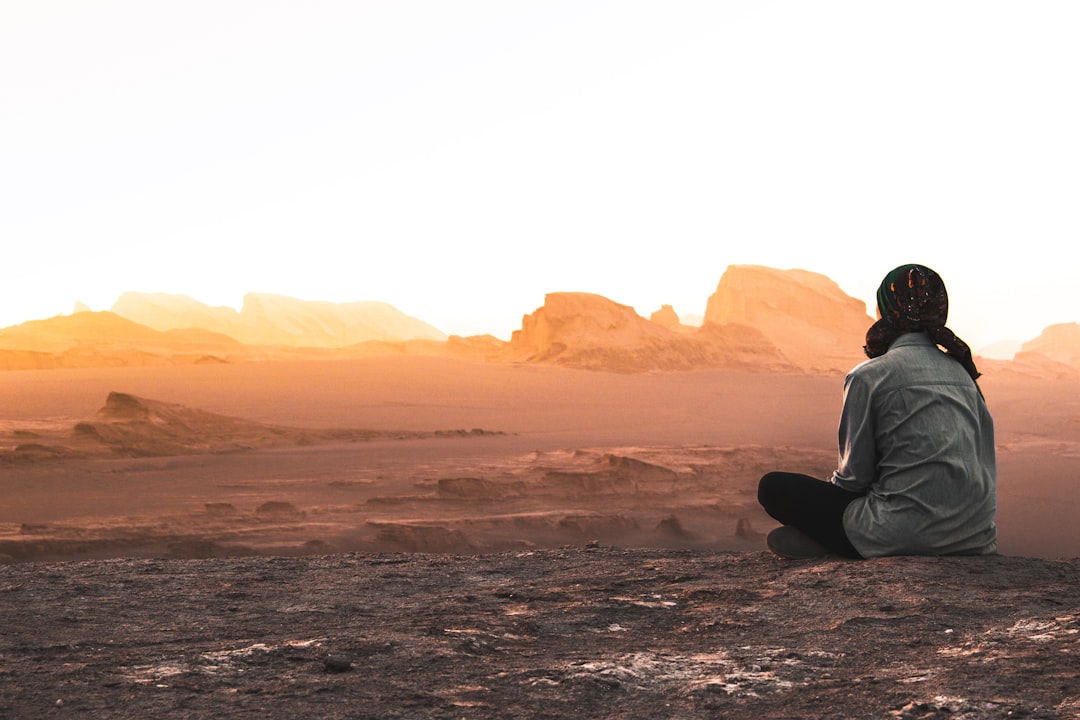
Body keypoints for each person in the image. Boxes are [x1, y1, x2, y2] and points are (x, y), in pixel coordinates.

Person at [757, 263, 997, 559]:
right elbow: (985, 464)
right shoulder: (965, 377)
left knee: (773, 488)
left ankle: (844, 545)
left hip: (898, 533)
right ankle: (836, 543)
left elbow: (853, 479)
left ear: (886, 309)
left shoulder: (869, 376)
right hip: (974, 538)